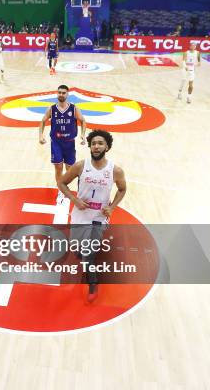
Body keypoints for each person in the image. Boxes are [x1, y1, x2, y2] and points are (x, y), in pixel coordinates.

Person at [57, 129, 127, 302]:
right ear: (90, 146)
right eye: (94, 143)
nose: (96, 146)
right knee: (78, 249)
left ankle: (93, 283)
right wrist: (74, 199)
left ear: (107, 147)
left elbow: (122, 189)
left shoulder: (115, 171)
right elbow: (62, 183)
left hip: (99, 218)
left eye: (100, 143)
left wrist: (112, 207)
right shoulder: (81, 165)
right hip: (80, 215)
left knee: (89, 253)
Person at [39, 85, 86, 201]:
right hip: (56, 142)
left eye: (63, 93)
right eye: (59, 92)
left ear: (67, 94)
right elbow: (43, 121)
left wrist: (83, 135)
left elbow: (83, 120)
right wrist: (40, 135)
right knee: (58, 168)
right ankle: (61, 190)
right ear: (57, 94)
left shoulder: (74, 109)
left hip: (70, 143)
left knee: (69, 169)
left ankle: (64, 186)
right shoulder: (52, 109)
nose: (61, 94)